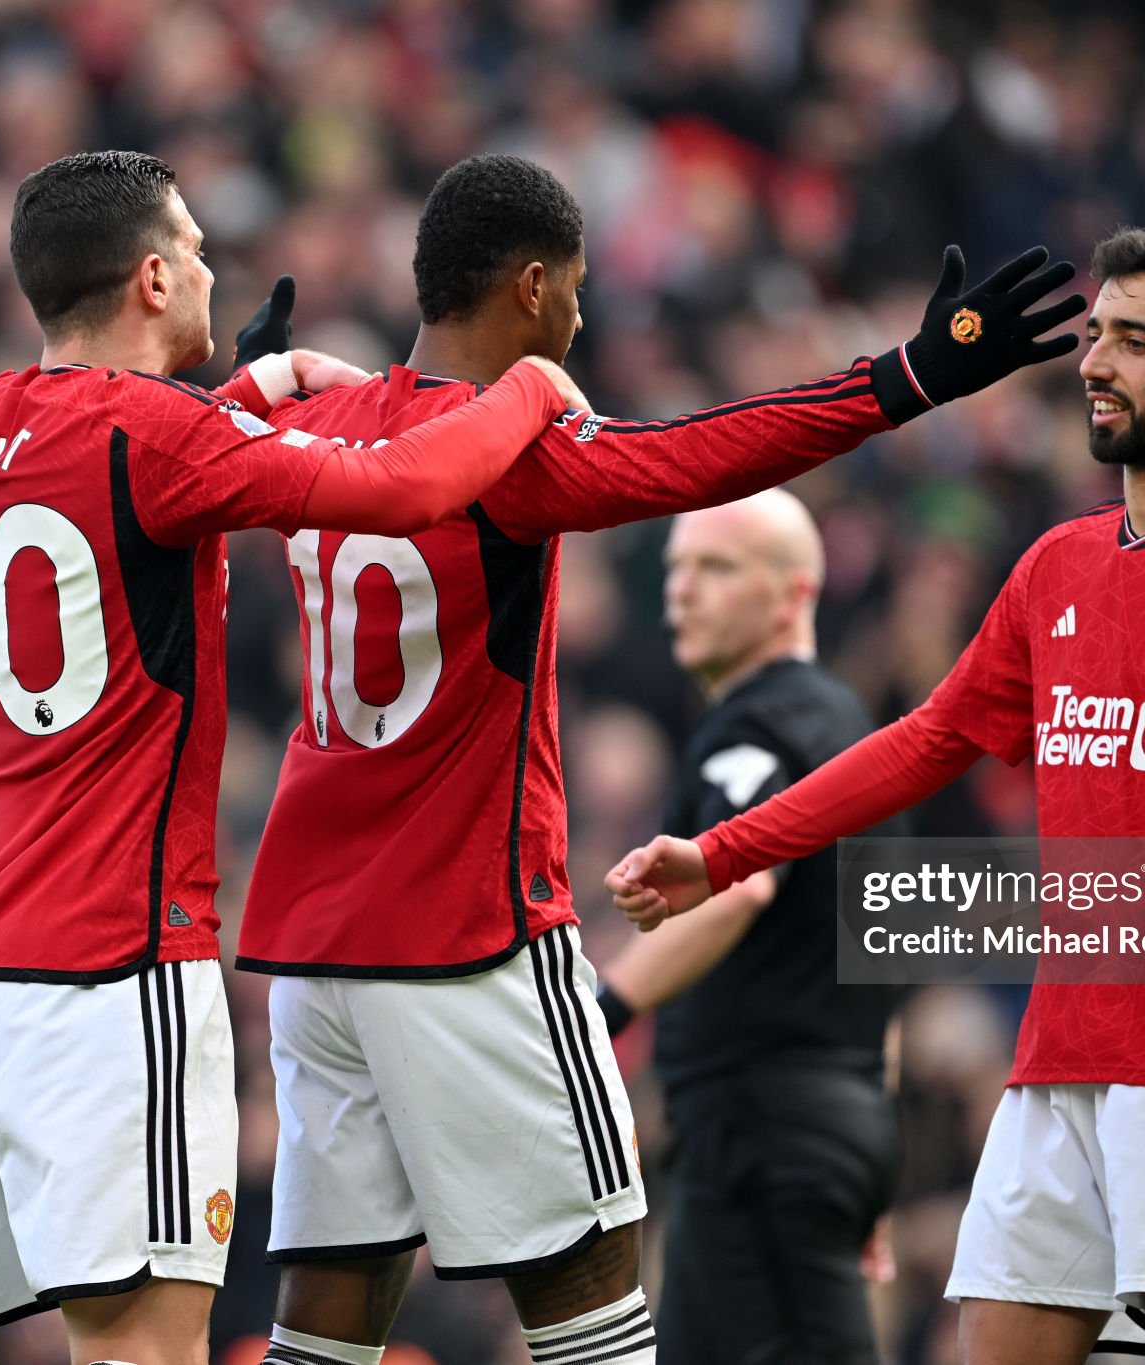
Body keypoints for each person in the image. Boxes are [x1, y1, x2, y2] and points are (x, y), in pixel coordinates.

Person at [230, 153, 1085, 1365]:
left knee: (329, 1294)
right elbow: (708, 454)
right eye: (572, 293)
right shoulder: (509, 452)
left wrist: (236, 377)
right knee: (594, 1278)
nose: (578, 322)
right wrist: (909, 378)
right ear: (532, 286)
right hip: (467, 932)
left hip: (311, 948)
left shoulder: (320, 425)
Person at [607, 224, 1145, 1365]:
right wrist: (724, 851)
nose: (1093, 363)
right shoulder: (1056, 566)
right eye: (1094, 337)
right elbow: (927, 739)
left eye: (1136, 342)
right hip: (1057, 1053)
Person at [0, 149, 583, 1365]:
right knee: (154, 1352)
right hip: (117, 967)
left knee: (107, 1347)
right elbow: (401, 488)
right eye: (191, 248)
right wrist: (531, 388)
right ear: (149, 280)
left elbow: (128, 478)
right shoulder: (158, 435)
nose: (208, 268)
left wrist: (259, 384)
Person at [594, 490, 907, 1365]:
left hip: (766, 1131)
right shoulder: (850, 734)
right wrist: (867, 1156)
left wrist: (596, 1013)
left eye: (717, 568)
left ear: (792, 593)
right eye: (676, 569)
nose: (681, 593)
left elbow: (738, 889)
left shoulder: (772, 720)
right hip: (809, 1128)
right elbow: (887, 967)